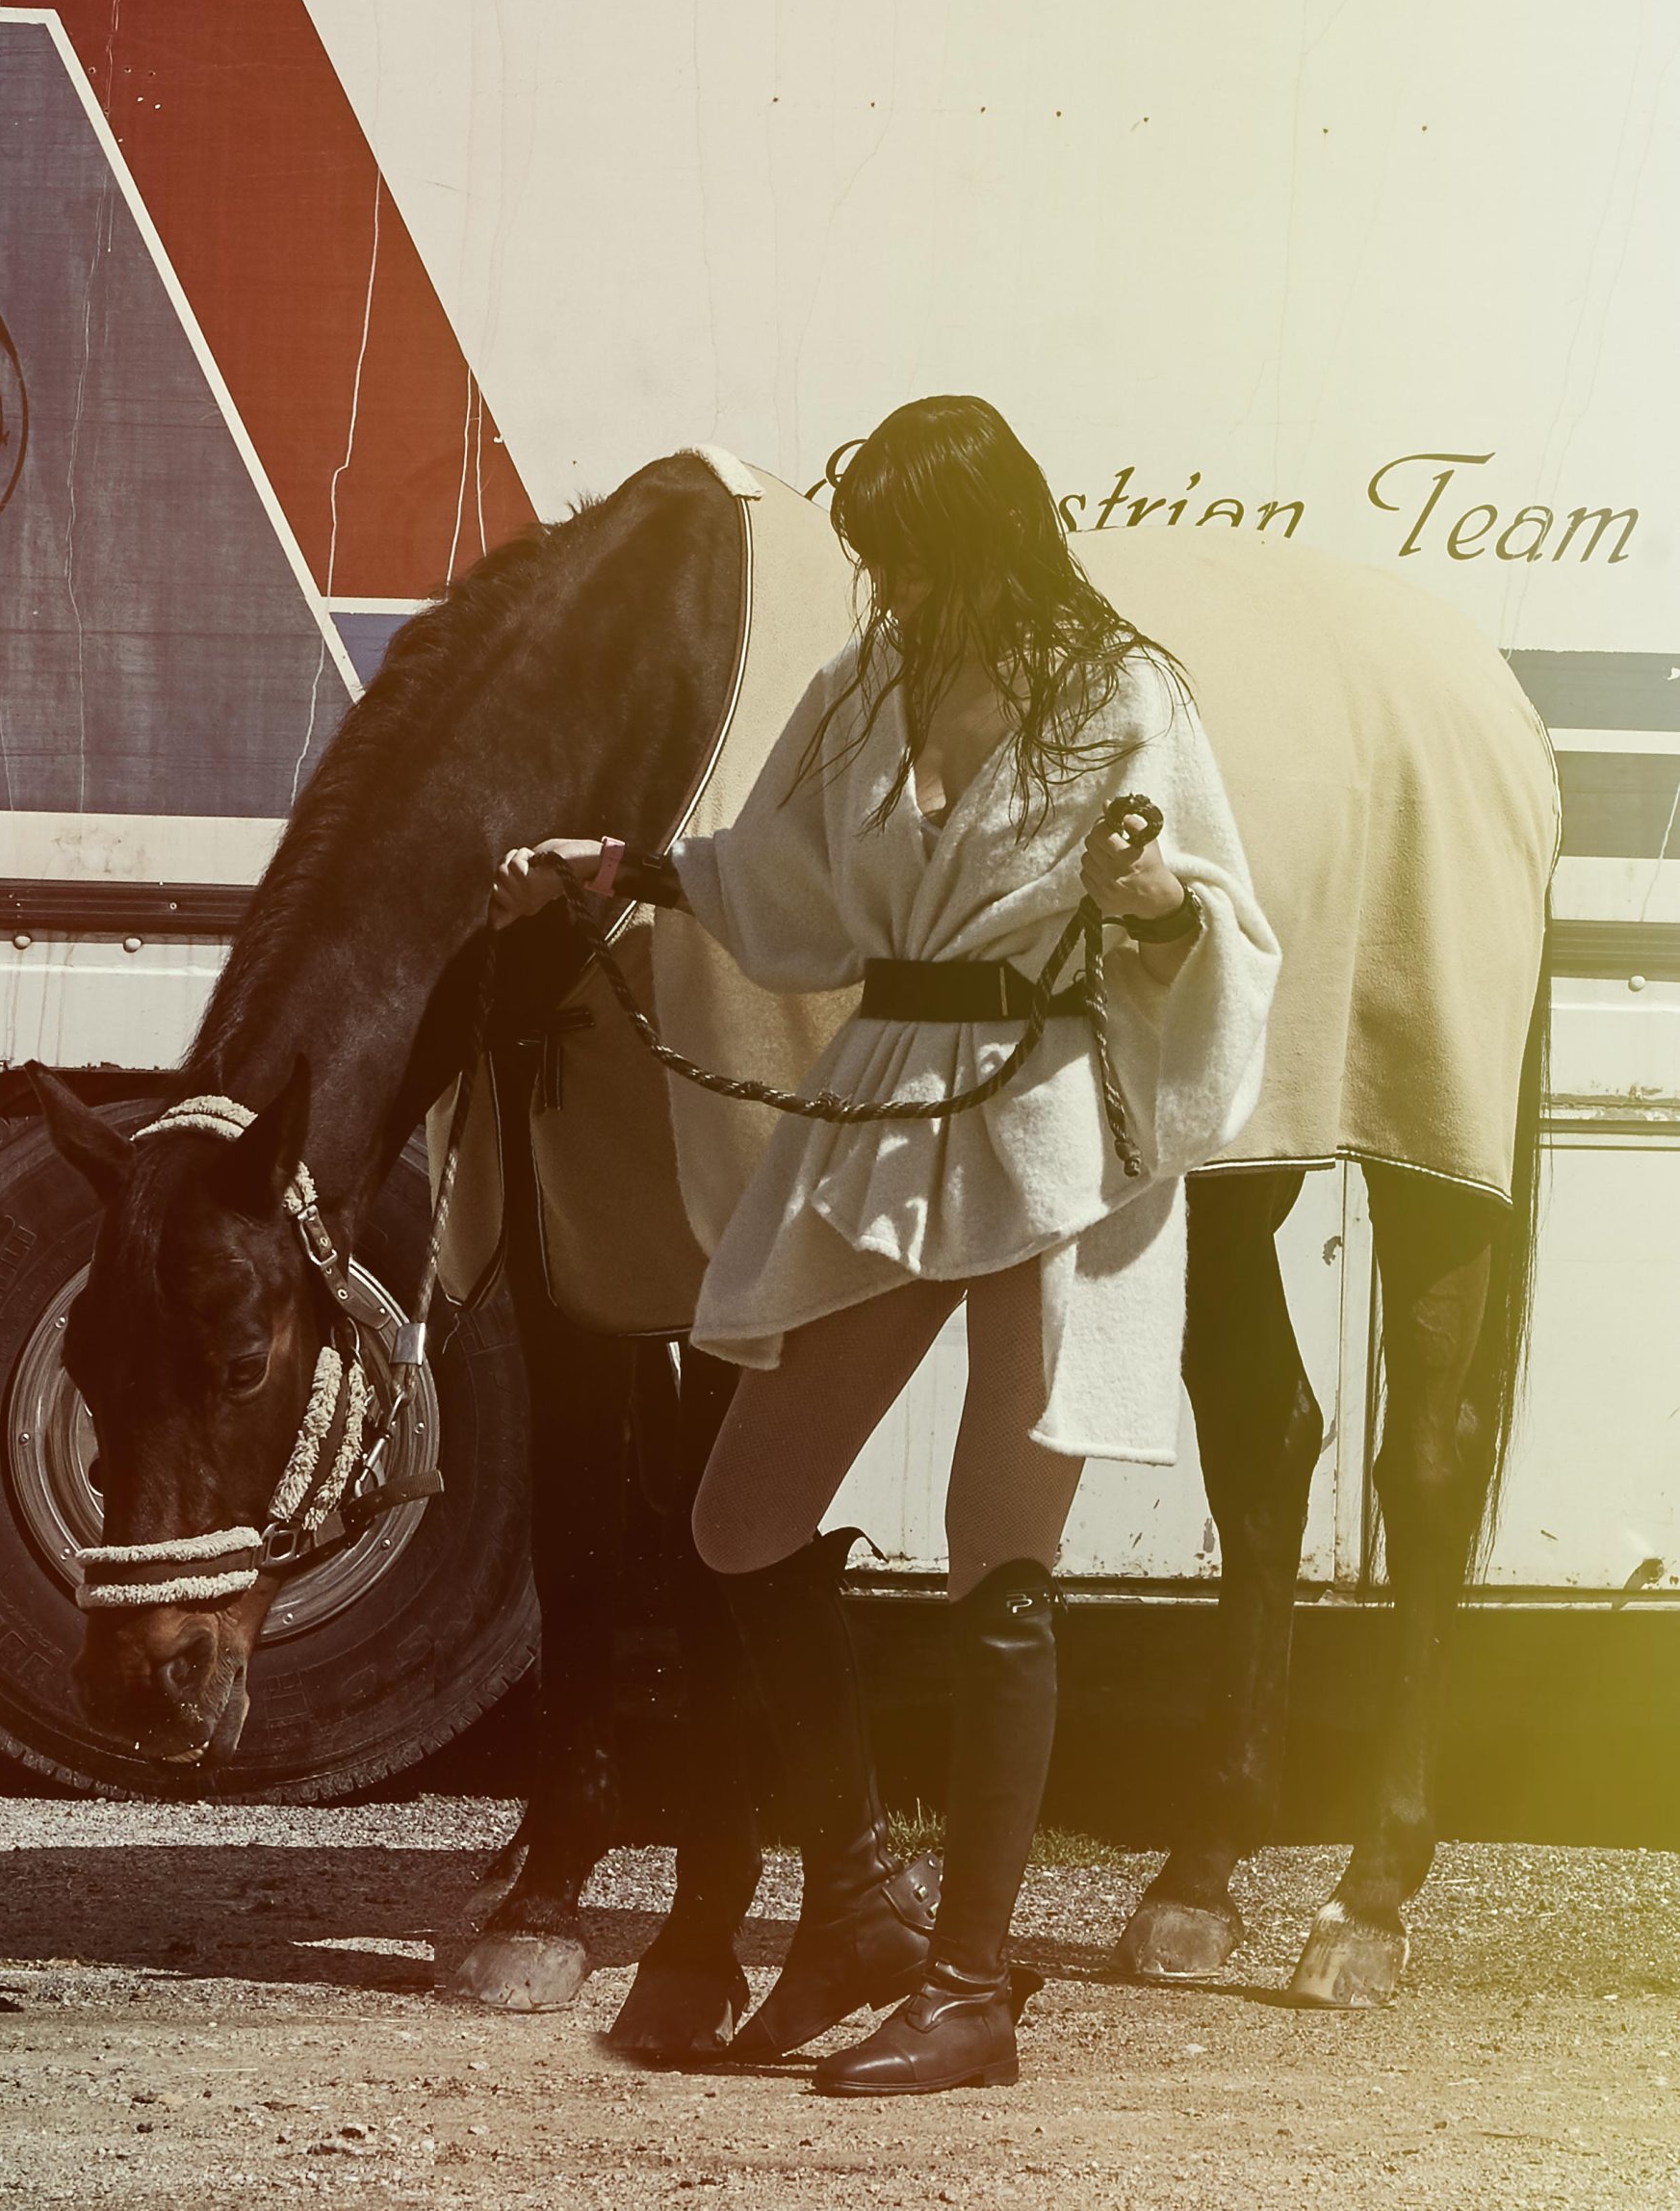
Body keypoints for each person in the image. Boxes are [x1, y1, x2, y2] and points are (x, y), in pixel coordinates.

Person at [489, 396, 1280, 2095]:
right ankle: (854, 1899)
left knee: (1002, 1541)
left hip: (1055, 1117)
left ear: (986, 536)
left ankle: (973, 1989)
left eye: (915, 557)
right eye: (880, 562)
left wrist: (1149, 902)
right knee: (738, 1516)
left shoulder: (1121, 693)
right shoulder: (865, 688)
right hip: (893, 1095)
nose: (894, 588)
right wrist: (620, 873)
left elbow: (1216, 915)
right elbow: (778, 876)